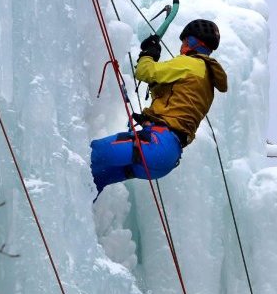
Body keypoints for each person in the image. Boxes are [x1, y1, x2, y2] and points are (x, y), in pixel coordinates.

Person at [90, 19, 228, 195]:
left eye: (185, 42)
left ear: (193, 42)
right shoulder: (206, 79)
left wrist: (148, 54)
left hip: (156, 144)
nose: (182, 47)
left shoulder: (192, 63)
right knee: (96, 179)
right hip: (166, 157)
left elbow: (144, 71)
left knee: (92, 154)